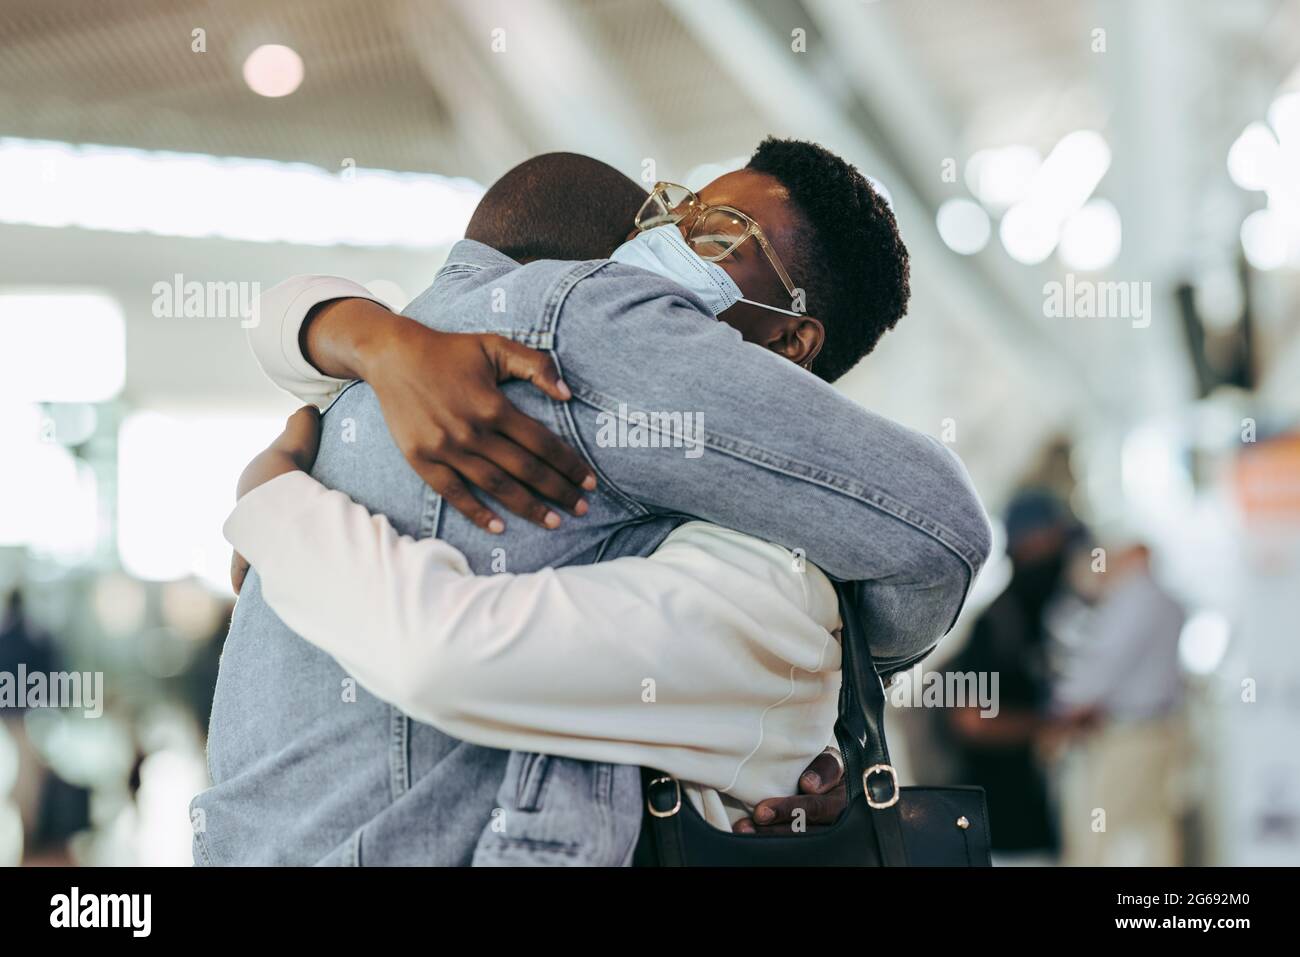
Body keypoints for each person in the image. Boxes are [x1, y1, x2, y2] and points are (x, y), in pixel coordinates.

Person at [194, 142, 991, 865]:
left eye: (716, 232)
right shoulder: (524, 378)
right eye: (678, 207)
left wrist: (271, 502)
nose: (671, 235)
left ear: (791, 343)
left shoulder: (589, 326)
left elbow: (942, 529)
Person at [1052, 542, 1188, 866]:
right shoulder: (1165, 600)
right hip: (1159, 729)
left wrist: (1063, 711)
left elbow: (1104, 665)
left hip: (1130, 734)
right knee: (1153, 826)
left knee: (1099, 831)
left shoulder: (1135, 599)